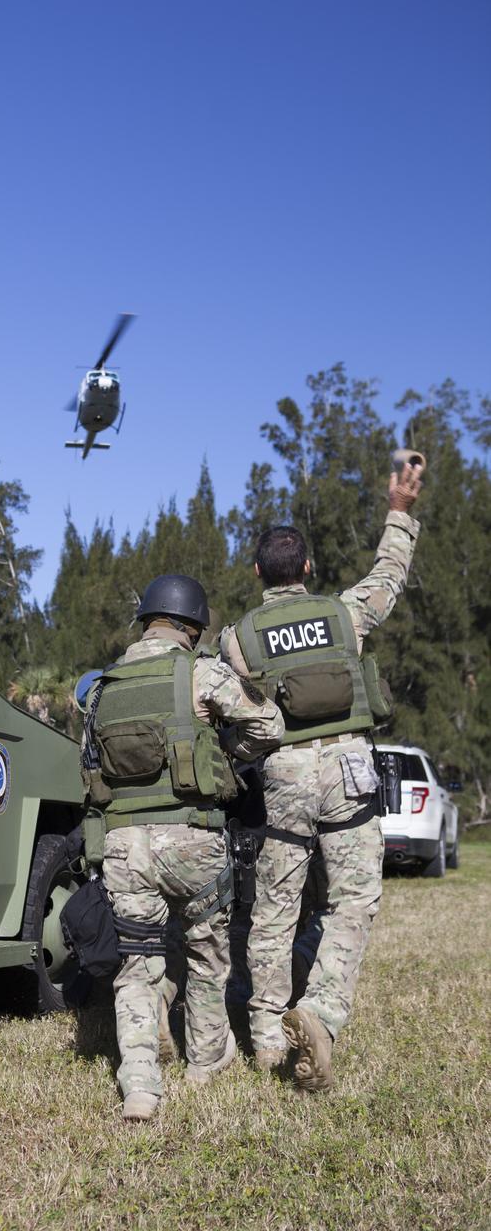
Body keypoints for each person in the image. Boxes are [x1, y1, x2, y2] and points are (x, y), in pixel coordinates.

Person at [220, 461, 423, 1090]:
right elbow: (389, 578)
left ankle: (264, 1040)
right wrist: (399, 510)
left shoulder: (238, 639)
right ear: (306, 570)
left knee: (275, 911)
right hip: (349, 770)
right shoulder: (343, 614)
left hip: (282, 777)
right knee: (354, 898)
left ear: (258, 575)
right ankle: (322, 1010)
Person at [82, 573, 284, 1121]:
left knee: (137, 964)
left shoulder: (101, 687)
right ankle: (205, 1060)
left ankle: (142, 1085)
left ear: (146, 621)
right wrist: (225, 749)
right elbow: (270, 726)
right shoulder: (201, 673)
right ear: (193, 628)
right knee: (207, 952)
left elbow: (92, 772)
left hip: (124, 846)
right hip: (193, 839)